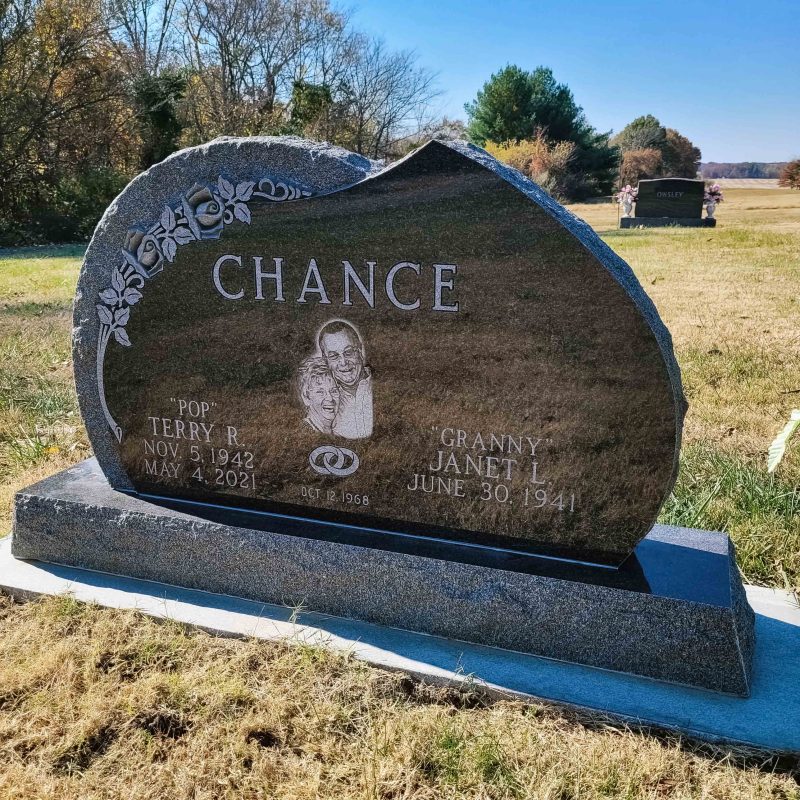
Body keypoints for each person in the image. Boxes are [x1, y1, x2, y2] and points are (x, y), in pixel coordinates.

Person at [316, 319, 373, 439]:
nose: (343, 362)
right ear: (325, 361)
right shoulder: (326, 402)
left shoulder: (386, 384)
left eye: (348, 352)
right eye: (334, 356)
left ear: (360, 351)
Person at [297, 357, 340, 435]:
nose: (330, 398)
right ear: (306, 398)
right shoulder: (303, 434)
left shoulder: (332, 433)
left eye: (334, 391)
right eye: (320, 392)